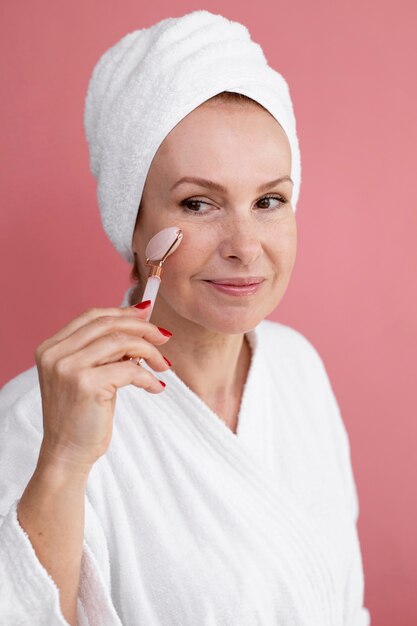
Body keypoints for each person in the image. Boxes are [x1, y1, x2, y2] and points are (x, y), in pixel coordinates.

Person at [0, 9, 370, 626]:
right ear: (134, 221)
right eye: (199, 204)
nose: (245, 246)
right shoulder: (36, 419)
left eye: (269, 200)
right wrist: (64, 461)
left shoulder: (297, 367)